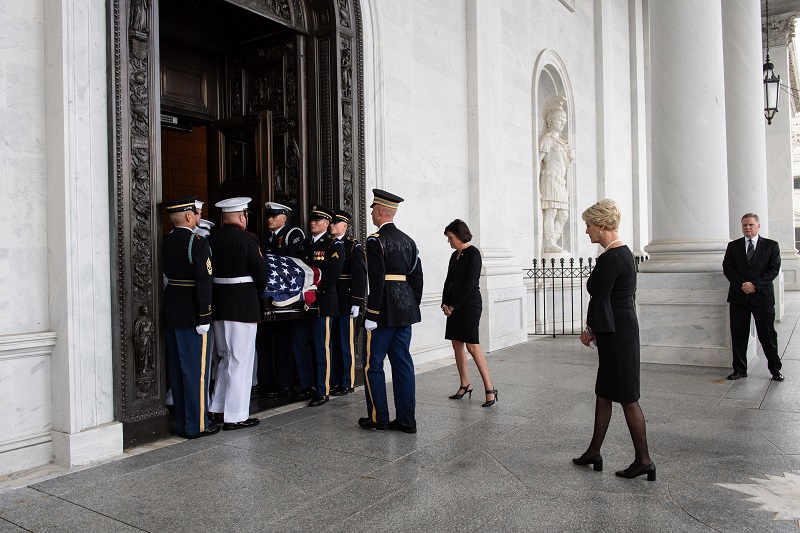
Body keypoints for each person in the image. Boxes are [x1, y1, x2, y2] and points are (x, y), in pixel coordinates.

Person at [575, 199, 655, 481]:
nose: (586, 231)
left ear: (602, 225)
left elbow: (601, 298)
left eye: (588, 225)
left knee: (628, 397)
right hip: (619, 328)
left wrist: (590, 329)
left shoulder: (612, 256)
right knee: (605, 391)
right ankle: (594, 451)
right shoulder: (622, 254)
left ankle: (644, 460)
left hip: (616, 332)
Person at [359, 189, 423, 434]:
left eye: (374, 210)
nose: (373, 214)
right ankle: (407, 420)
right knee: (402, 363)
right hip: (404, 310)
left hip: (383, 311)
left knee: (373, 364)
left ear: (380, 211)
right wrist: (410, 305)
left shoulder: (375, 240)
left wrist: (372, 314)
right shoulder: (409, 241)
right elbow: (417, 278)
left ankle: (379, 418)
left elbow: (375, 281)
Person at [208, 197, 267, 430]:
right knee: (241, 360)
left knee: (225, 357)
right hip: (242, 305)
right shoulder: (248, 239)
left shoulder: (210, 239)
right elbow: (260, 272)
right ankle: (236, 415)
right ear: (242, 216)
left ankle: (217, 407)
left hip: (219, 305)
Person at [162, 195, 218, 439]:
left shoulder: (164, 241)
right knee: (196, 373)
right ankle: (197, 425)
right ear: (188, 216)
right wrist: (205, 316)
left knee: (177, 371)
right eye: (196, 213)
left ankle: (184, 424)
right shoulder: (197, 242)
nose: (198, 217)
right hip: (192, 315)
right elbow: (204, 281)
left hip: (171, 311)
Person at [292, 205, 345, 406]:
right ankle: (307, 385)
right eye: (312, 220)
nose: (313, 223)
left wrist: (314, 291)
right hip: (303, 303)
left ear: (326, 223)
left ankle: (323, 390)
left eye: (317, 220)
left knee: (322, 346)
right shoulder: (304, 245)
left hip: (322, 301)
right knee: (300, 342)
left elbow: (331, 275)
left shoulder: (333, 245)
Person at [441, 219, 497, 407]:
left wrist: (454, 306)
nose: (449, 241)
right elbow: (448, 280)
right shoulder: (454, 255)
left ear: (459, 235)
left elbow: (469, 284)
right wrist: (444, 302)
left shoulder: (474, 254)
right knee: (456, 343)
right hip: (454, 306)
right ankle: (465, 384)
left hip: (470, 305)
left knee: (473, 346)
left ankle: (490, 389)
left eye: (450, 238)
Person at [722, 213, 783, 381]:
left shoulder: (771, 246)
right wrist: (742, 284)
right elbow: (727, 268)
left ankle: (775, 370)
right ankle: (739, 369)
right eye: (744, 225)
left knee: (768, 335)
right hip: (739, 297)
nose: (747, 228)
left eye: (750, 225)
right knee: (738, 335)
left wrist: (755, 285)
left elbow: (773, 269)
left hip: (762, 297)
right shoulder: (733, 246)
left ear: (758, 226)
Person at [257, 201, 305, 398]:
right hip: (268, 295)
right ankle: (266, 381)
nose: (270, 219)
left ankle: (285, 382)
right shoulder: (266, 238)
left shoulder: (293, 235)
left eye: (274, 216)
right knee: (265, 340)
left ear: (283, 218)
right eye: (269, 216)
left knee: (284, 341)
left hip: (286, 297)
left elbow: (291, 262)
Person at [328, 209, 367, 396]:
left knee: (346, 344)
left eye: (335, 223)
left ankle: (347, 381)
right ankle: (335, 380)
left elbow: (360, 276)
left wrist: (357, 302)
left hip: (346, 300)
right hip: (332, 300)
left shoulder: (353, 246)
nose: (332, 225)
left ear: (344, 226)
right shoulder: (327, 244)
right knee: (333, 342)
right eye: (331, 223)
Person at [538, 95, 574, 253]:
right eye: (560, 119)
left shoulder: (563, 142)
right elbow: (538, 160)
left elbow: (563, 165)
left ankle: (555, 241)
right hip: (549, 178)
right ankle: (549, 243)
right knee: (551, 212)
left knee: (563, 215)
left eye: (564, 120)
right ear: (551, 120)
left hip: (560, 180)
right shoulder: (547, 139)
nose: (563, 122)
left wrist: (570, 158)